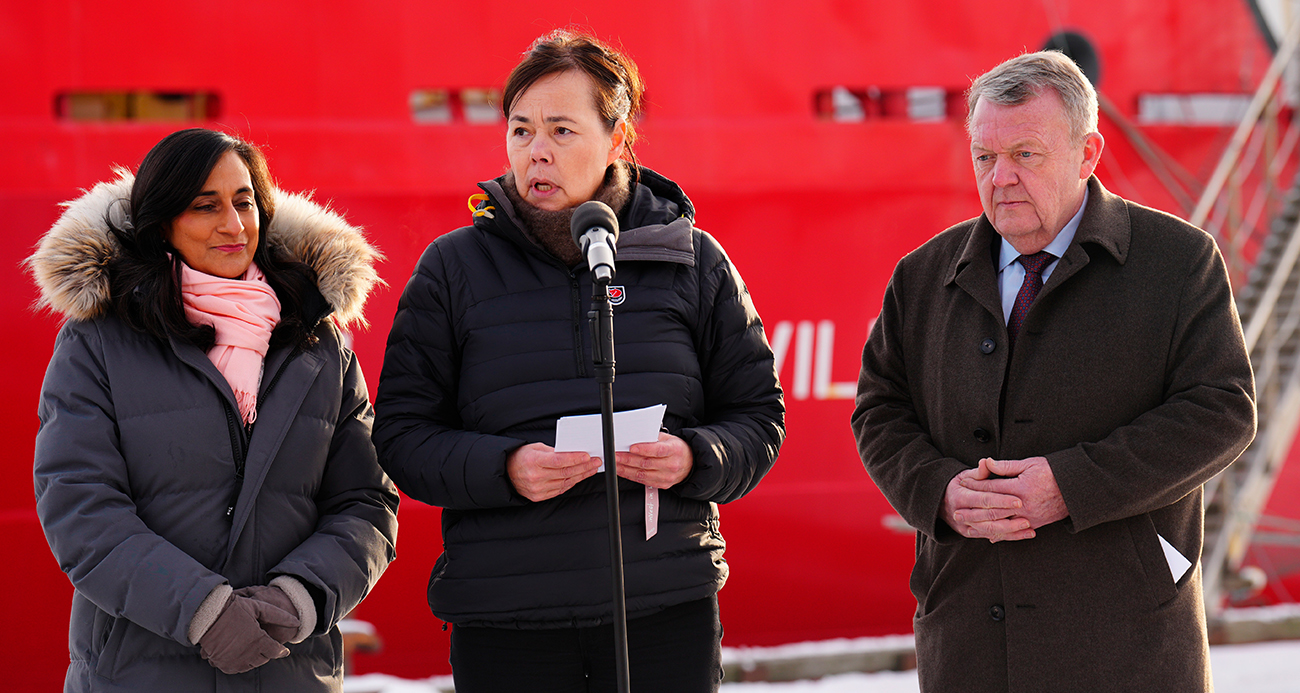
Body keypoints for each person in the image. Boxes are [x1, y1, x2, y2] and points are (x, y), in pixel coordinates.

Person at [373, 29, 784, 692]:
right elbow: (401, 435)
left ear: (617, 138)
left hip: (664, 610)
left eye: (561, 130)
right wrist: (505, 468)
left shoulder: (692, 260)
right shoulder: (452, 268)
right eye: (521, 130)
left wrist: (695, 457)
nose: (536, 151)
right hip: (507, 619)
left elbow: (759, 416)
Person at [851, 51, 1256, 692]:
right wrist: (938, 491)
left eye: (1025, 155)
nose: (1000, 177)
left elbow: (1222, 409)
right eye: (985, 157)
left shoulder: (1179, 261)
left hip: (1125, 643)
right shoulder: (921, 276)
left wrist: (1071, 485)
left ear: (1087, 153)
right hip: (969, 641)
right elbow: (880, 409)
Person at [27, 128, 400, 692]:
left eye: (244, 202)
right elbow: (79, 504)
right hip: (139, 674)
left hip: (287, 670)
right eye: (206, 207)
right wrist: (202, 612)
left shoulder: (318, 344)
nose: (234, 226)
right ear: (162, 223)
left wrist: (297, 600)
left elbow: (366, 501)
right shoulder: (98, 342)